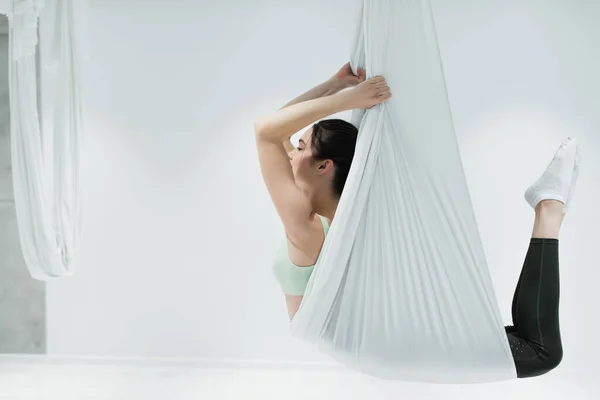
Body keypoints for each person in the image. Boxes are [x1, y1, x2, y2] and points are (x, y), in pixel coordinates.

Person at [253, 63, 581, 378]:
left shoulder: (309, 226)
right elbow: (273, 129)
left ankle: (548, 207)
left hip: (380, 342)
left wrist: (342, 94)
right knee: (536, 348)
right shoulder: (325, 218)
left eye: (300, 147)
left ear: (324, 166)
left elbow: (267, 130)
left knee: (538, 349)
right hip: (374, 338)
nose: (291, 152)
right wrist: (337, 88)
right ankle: (547, 206)